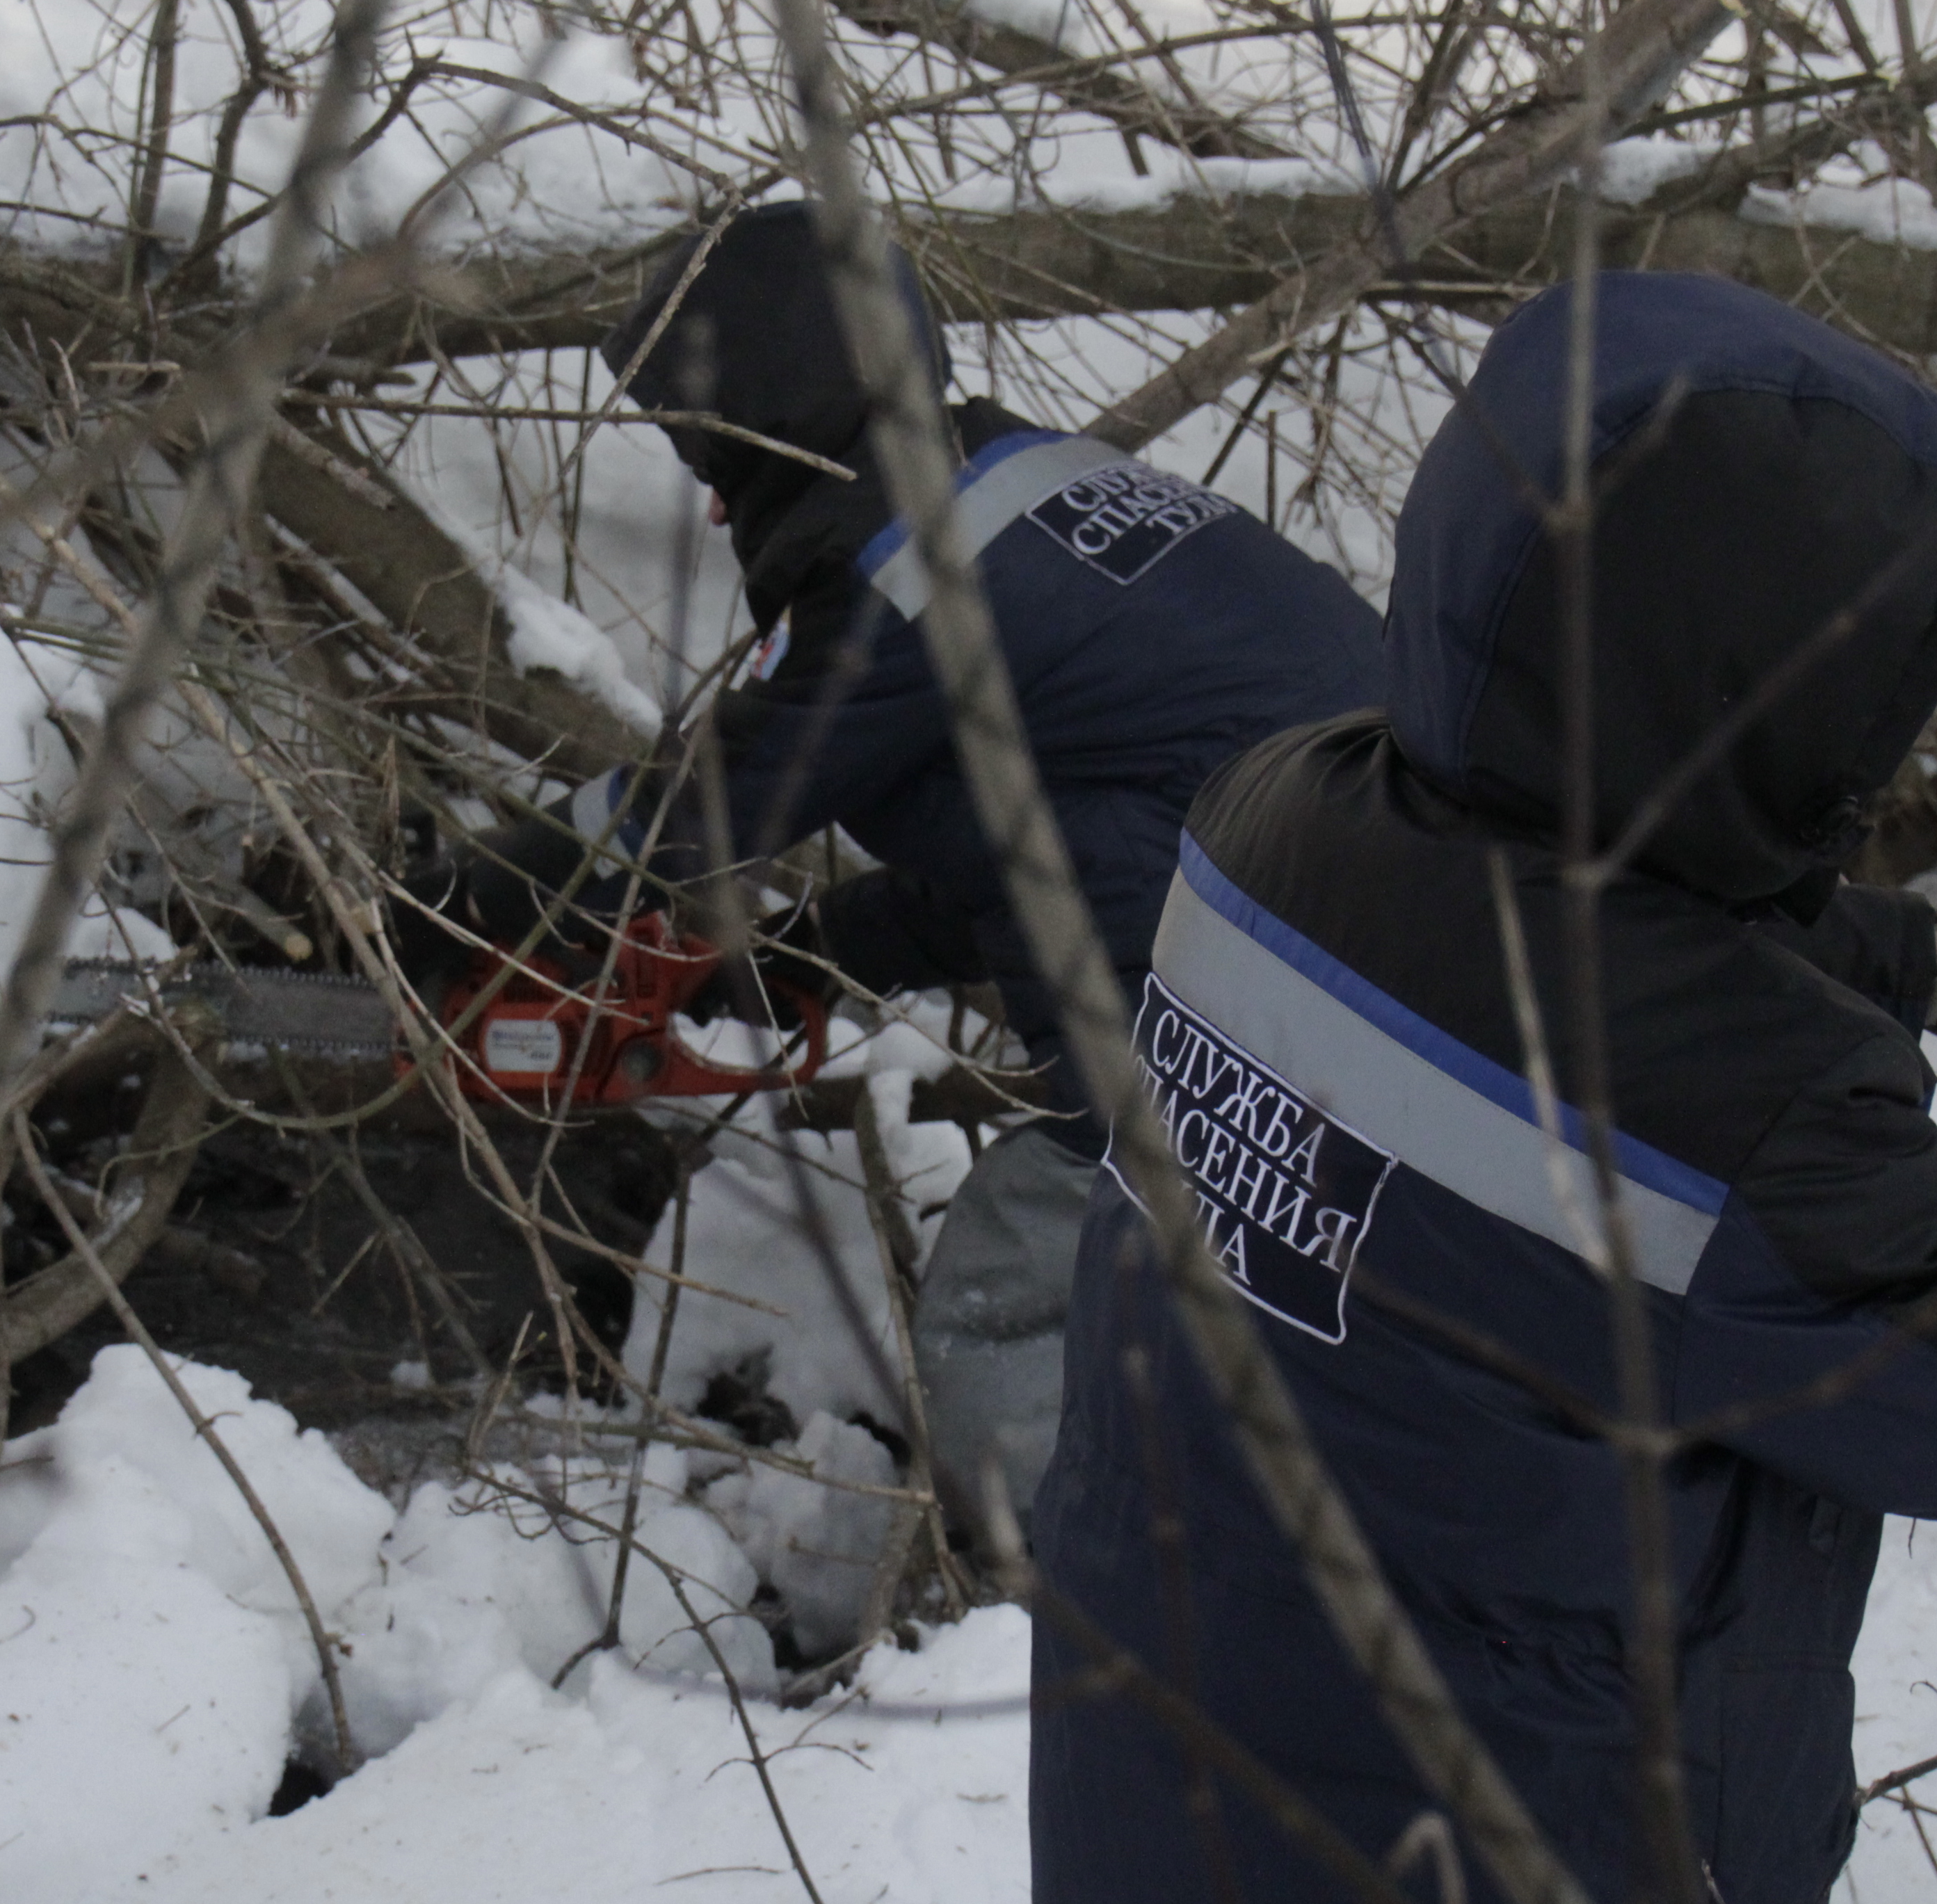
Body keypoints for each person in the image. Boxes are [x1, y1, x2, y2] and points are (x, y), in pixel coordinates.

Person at [1026, 273, 1937, 1904]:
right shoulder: (1747, 1119)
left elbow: (1561, 908)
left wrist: (1922, 960)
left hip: (1155, 1798)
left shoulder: (1278, 810)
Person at [415, 200, 1390, 1524]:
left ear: (772, 410)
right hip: (1370, 954)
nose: (709, 503)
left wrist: (449, 909)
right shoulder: (1021, 490)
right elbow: (1060, 824)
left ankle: (1083, 1617)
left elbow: (699, 811)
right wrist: (823, 956)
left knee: (1020, 1282)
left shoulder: (903, 574)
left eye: (713, 454)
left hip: (1278, 1001)